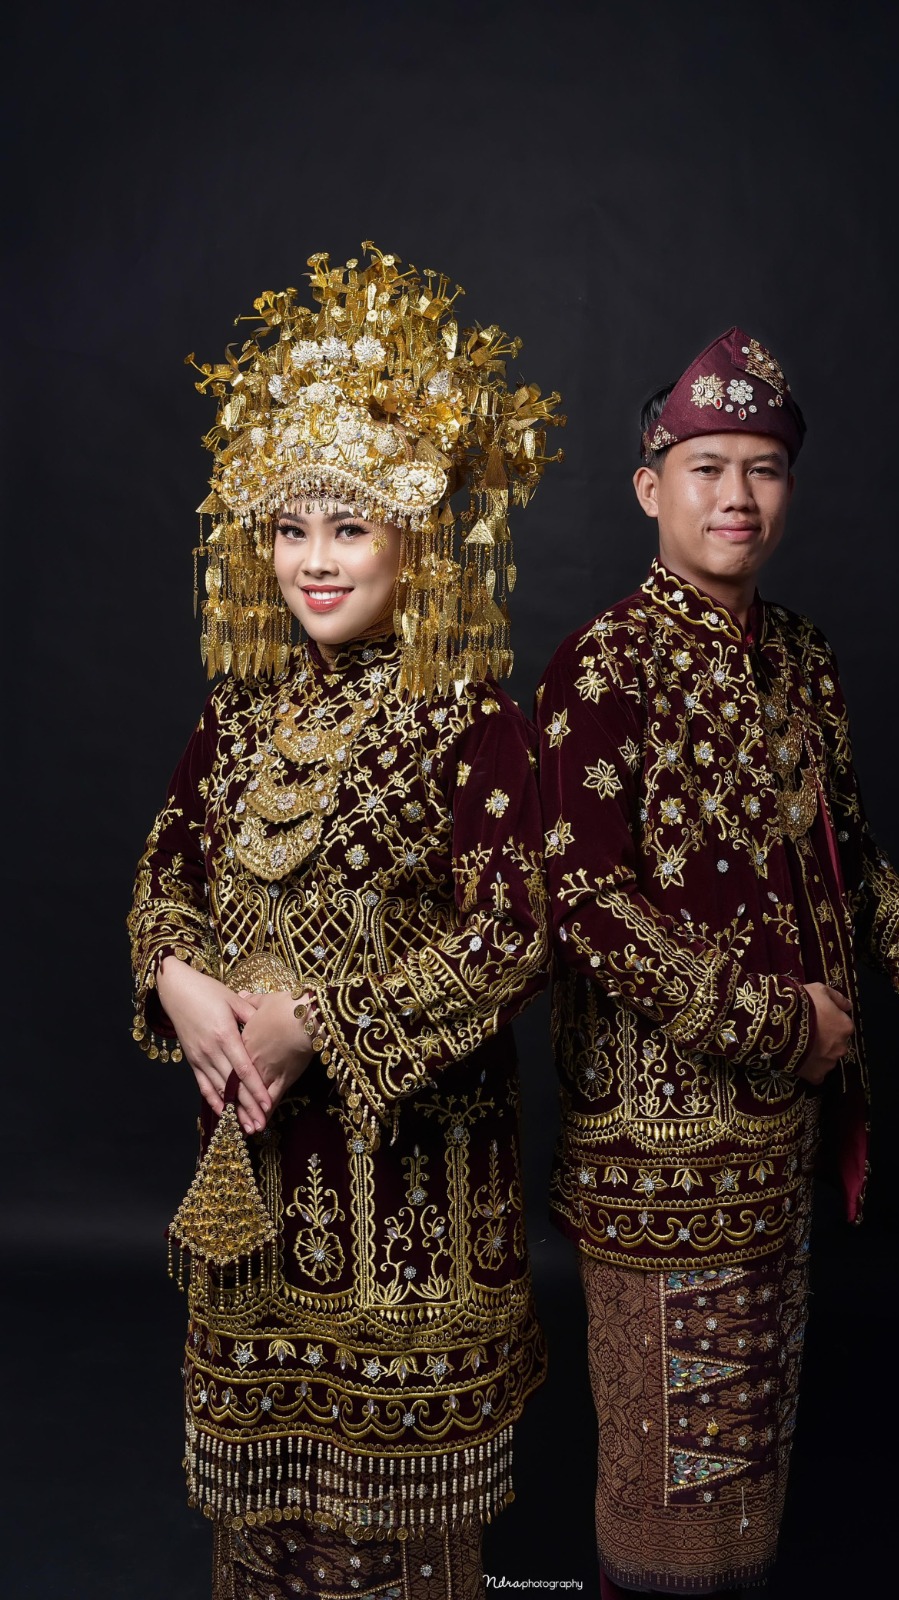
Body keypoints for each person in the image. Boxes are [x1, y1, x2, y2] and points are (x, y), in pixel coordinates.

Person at [534, 327, 899, 1597]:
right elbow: (584, 905)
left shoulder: (799, 659)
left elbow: (847, 861)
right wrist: (781, 1024)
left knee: (747, 1483)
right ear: (650, 487)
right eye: (706, 467)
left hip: (779, 1148)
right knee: (666, 1505)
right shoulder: (600, 665)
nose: (735, 495)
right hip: (656, 1155)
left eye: (763, 468)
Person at [129, 246, 562, 1600]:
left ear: (414, 539)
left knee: (392, 1544)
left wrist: (318, 1021)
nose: (313, 563)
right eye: (289, 528)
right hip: (255, 1190)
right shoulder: (239, 715)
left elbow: (514, 934)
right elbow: (165, 876)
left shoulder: (473, 722)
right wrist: (182, 984)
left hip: (413, 1209)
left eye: (349, 527)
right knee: (263, 1539)